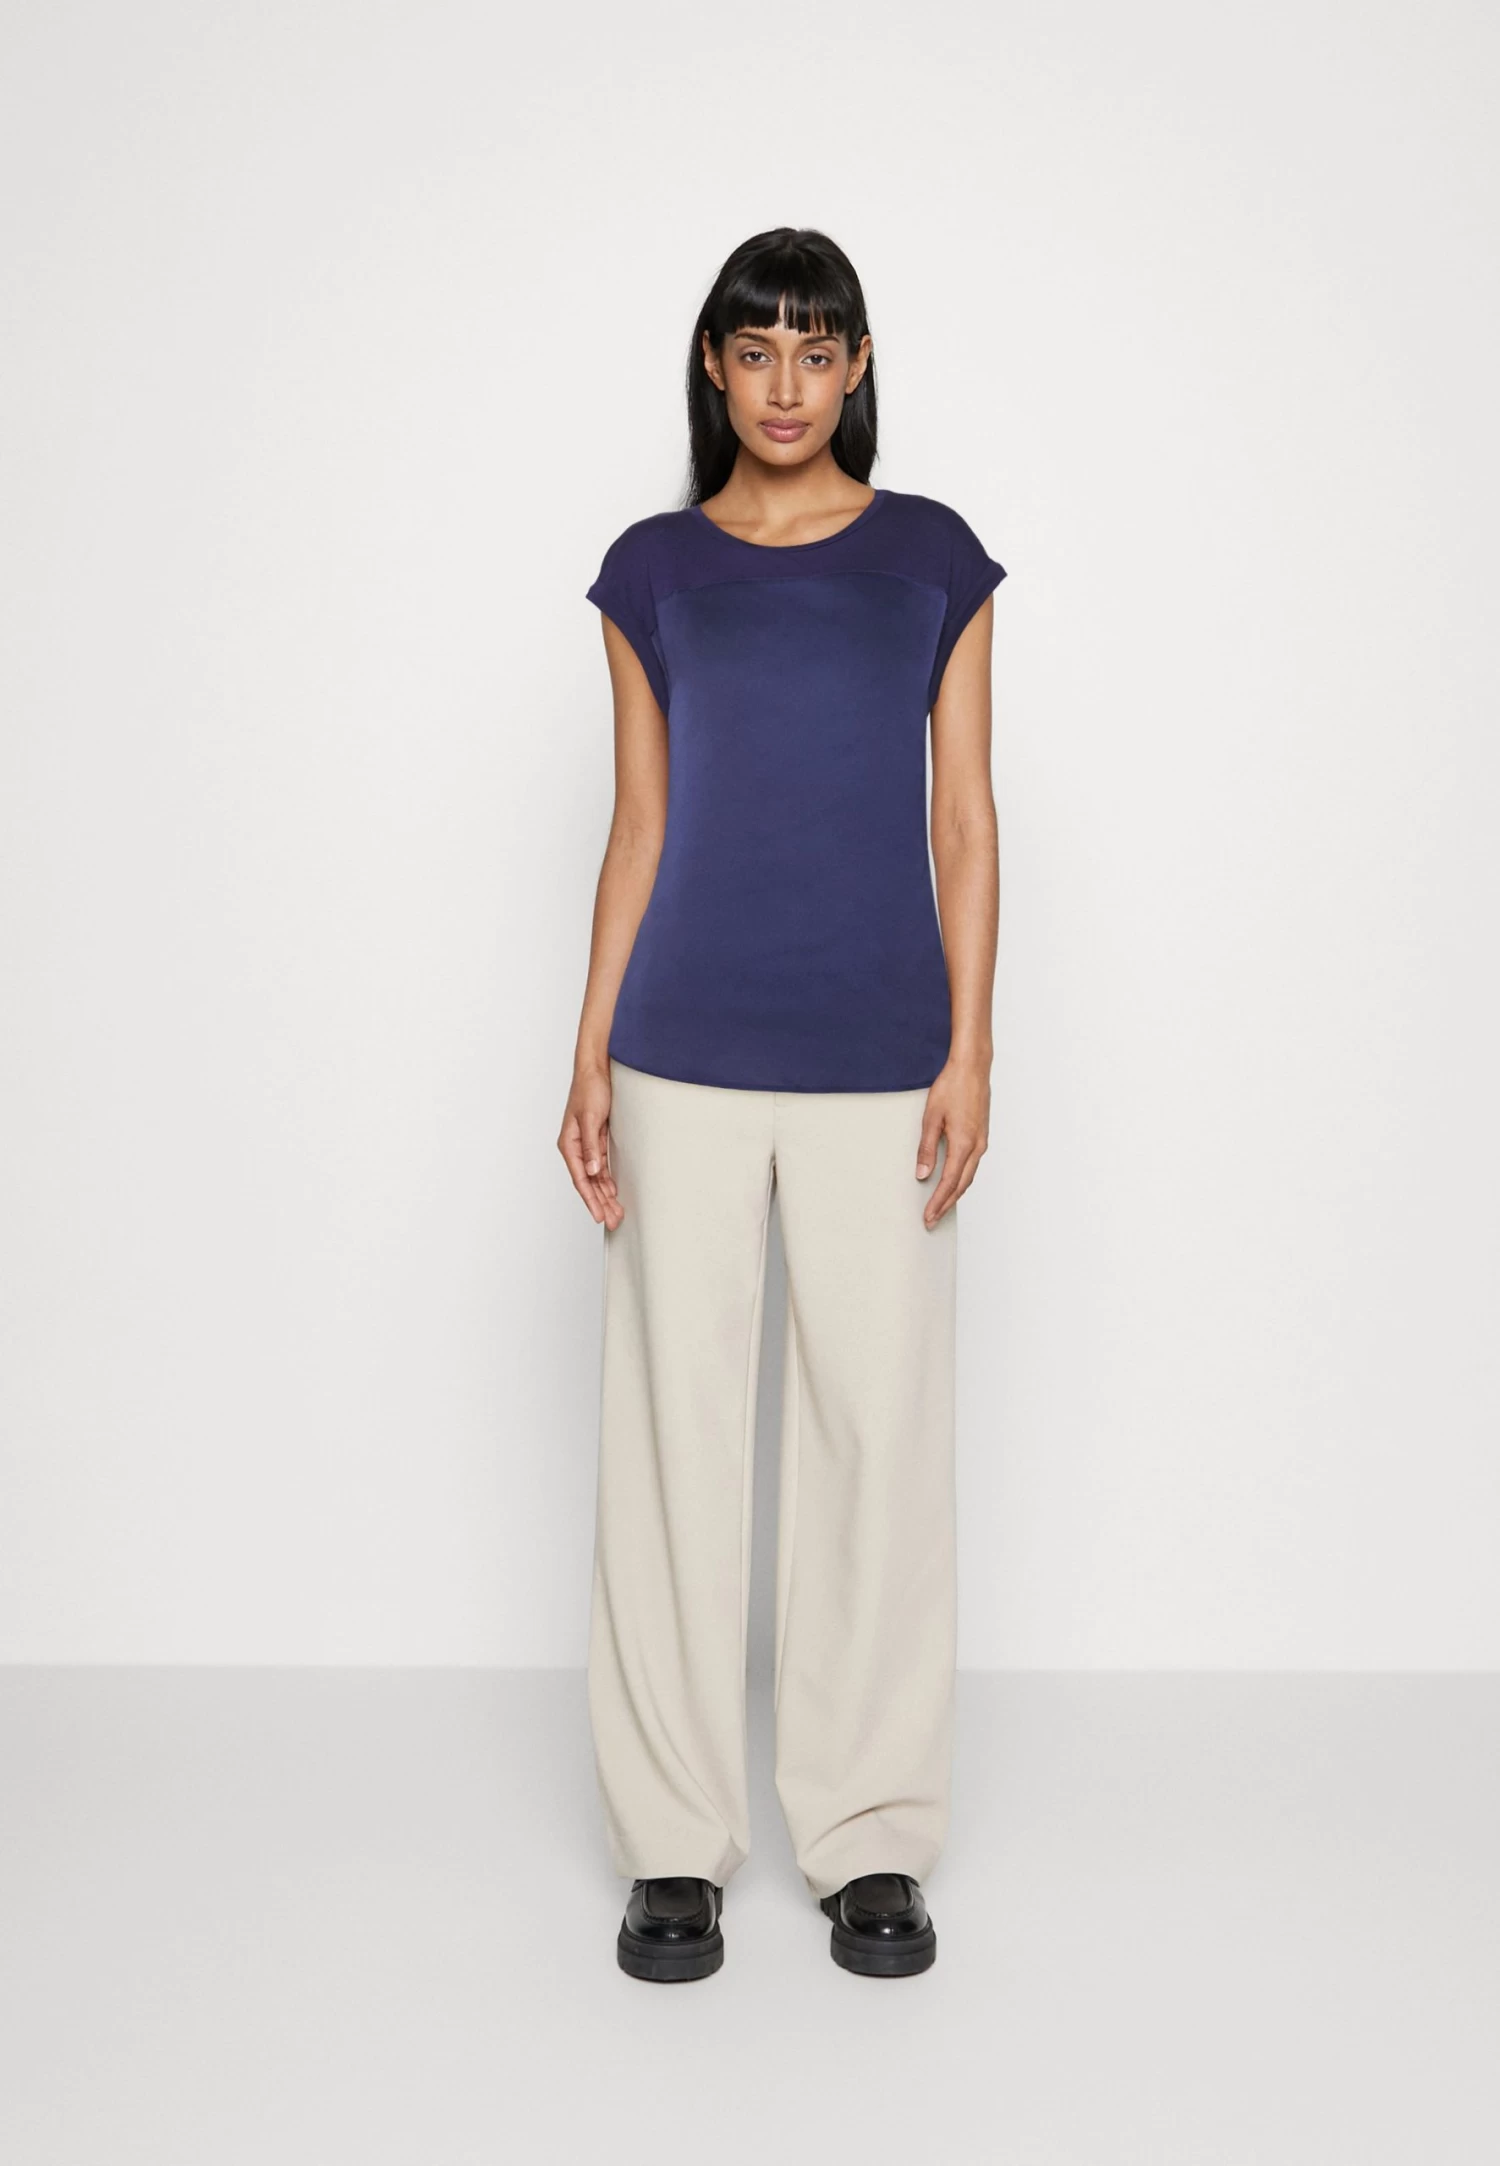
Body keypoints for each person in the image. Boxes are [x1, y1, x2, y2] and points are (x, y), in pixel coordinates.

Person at [559, 226, 1005, 1983]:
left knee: (876, 1437)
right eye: (758, 352)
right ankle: (674, 1841)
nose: (789, 385)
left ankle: (868, 1833)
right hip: (680, 1042)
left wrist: (973, 1049)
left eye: (819, 351)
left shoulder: (934, 559)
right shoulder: (653, 571)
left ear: (861, 365)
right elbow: (639, 826)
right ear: (715, 366)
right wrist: (586, 1048)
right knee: (673, 1438)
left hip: (886, 1049)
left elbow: (964, 821)